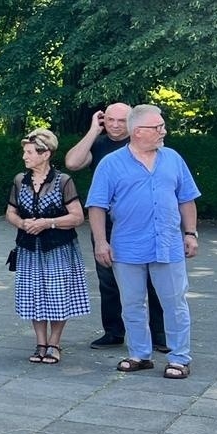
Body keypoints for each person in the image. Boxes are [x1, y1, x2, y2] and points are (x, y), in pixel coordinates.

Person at [86, 104, 201, 379]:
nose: (164, 131)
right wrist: (101, 242)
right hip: (127, 247)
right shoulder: (111, 164)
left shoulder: (173, 158)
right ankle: (139, 354)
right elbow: (97, 206)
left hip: (168, 245)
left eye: (162, 126)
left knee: (175, 303)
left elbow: (186, 198)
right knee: (133, 303)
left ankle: (179, 358)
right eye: (158, 127)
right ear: (138, 132)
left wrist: (191, 233)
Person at [65, 102, 167, 351]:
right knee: (108, 279)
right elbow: (72, 163)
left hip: (142, 224)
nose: (114, 125)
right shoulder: (99, 145)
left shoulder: (145, 144)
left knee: (154, 281)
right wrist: (92, 131)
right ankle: (113, 331)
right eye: (109, 120)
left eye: (121, 121)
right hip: (107, 224)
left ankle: (159, 334)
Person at [5, 128, 90, 364]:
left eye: (30, 152)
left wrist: (48, 223)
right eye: (25, 152)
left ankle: (55, 343)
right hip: (29, 249)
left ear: (45, 154)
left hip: (58, 249)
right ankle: (40, 343)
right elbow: (10, 212)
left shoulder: (63, 181)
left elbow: (77, 217)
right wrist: (22, 222)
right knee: (33, 295)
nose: (25, 156)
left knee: (57, 295)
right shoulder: (20, 181)